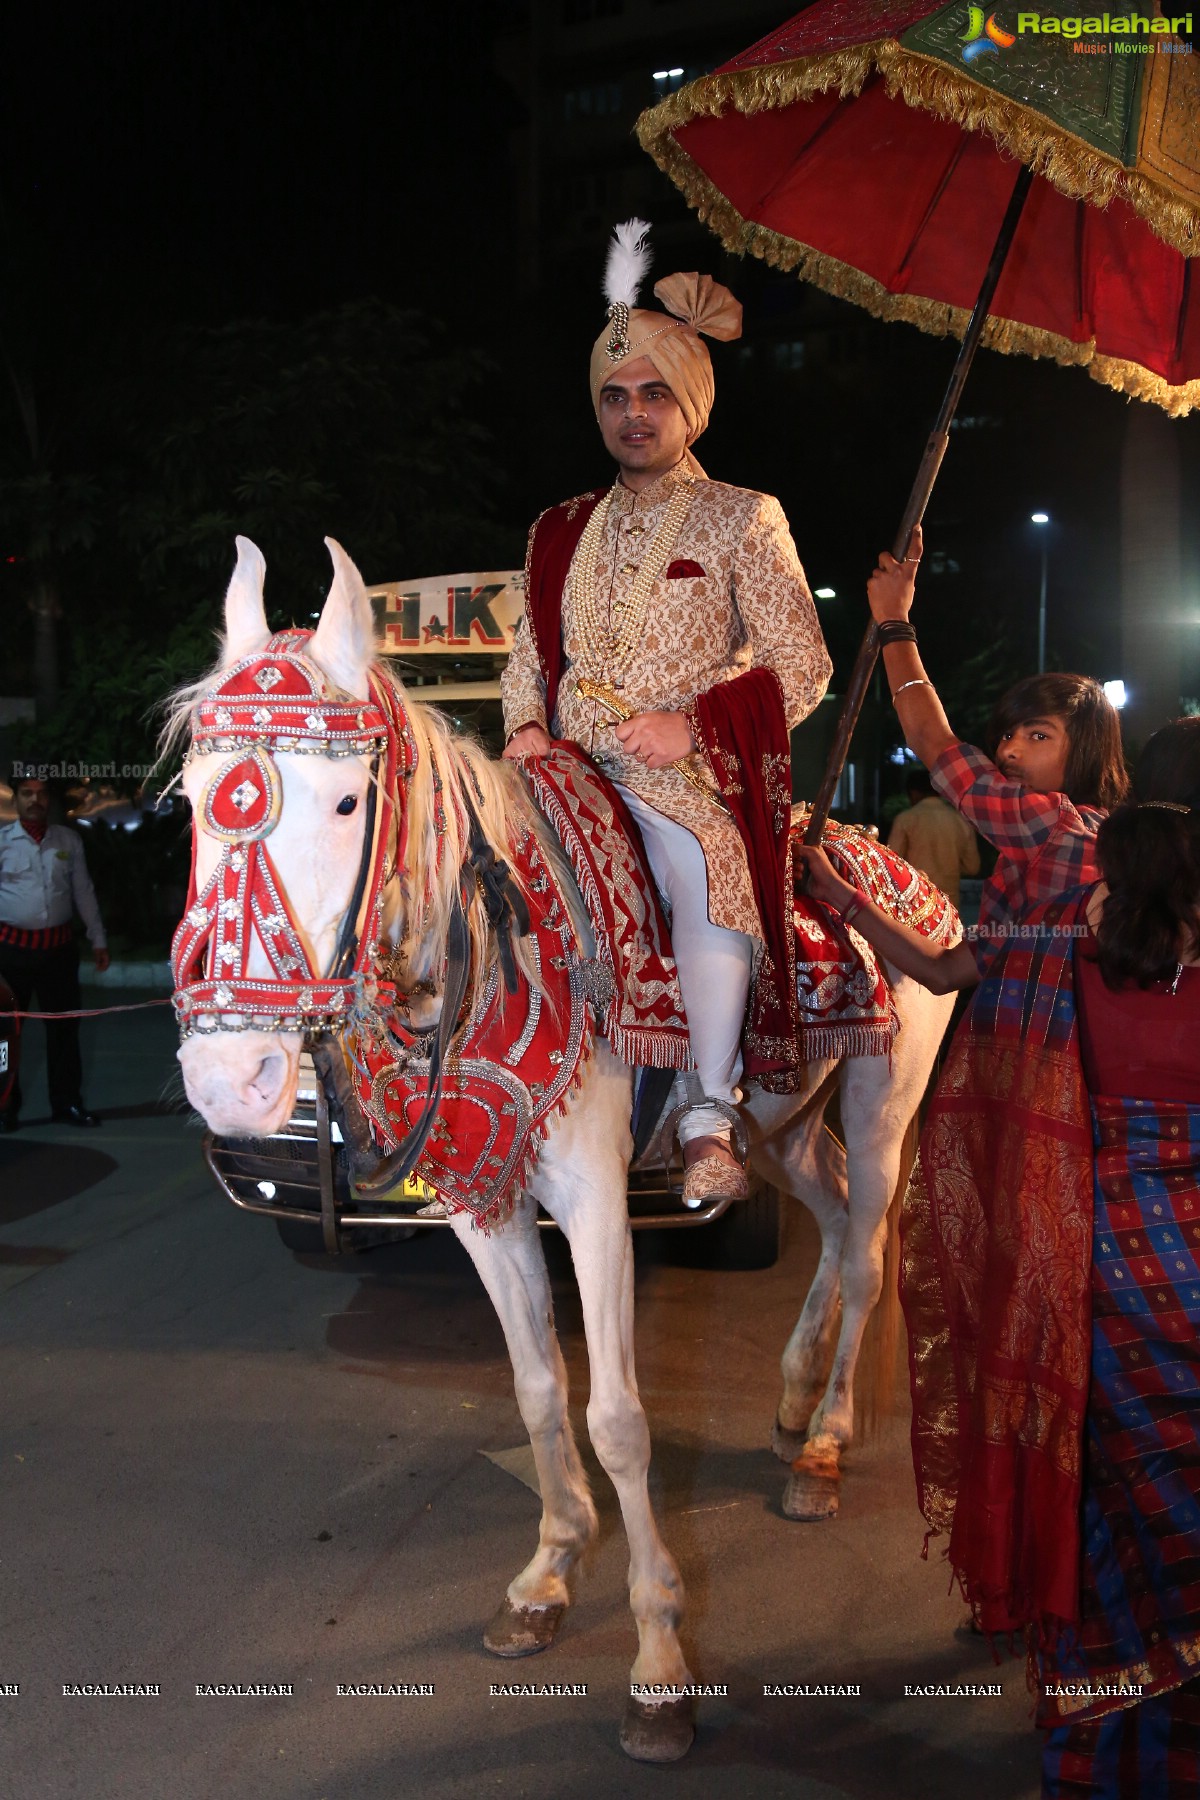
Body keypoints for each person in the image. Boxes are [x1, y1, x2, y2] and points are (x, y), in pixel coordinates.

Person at [501, 220, 832, 1202]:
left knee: (703, 861)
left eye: (653, 394)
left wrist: (690, 725)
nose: (633, 414)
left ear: (689, 404)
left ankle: (706, 1112)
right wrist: (524, 726)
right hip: (560, 762)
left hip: (678, 775)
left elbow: (801, 667)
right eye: (615, 396)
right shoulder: (557, 526)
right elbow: (528, 655)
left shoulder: (743, 515)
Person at [866, 524, 1127, 972]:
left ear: (1086, 749)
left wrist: (894, 622)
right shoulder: (1085, 840)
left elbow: (931, 740)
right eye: (1007, 735)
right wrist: (839, 893)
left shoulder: (1054, 824)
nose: (1009, 751)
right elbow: (943, 971)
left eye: (1038, 735)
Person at [0, 776, 109, 1127]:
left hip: (58, 952)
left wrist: (98, 939)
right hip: (11, 953)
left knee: (64, 1032)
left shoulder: (67, 840)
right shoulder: (2, 842)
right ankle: (4, 1107)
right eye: (27, 794)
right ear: (15, 799)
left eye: (42, 794)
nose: (35, 800)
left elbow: (84, 892)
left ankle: (67, 1103)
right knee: (5, 1036)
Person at [887, 768, 979, 905]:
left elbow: (891, 864)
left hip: (915, 901)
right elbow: (972, 867)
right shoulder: (960, 820)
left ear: (913, 793)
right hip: (949, 905)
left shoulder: (906, 819)